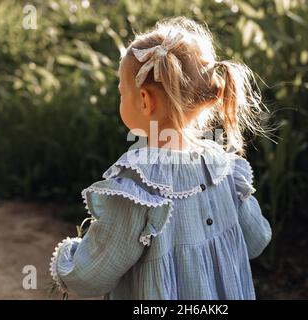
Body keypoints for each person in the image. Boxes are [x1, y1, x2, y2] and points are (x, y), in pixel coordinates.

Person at [49, 16, 272, 300]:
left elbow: (94, 273)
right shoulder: (224, 168)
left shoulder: (139, 184)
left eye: (121, 92)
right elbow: (257, 239)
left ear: (144, 100)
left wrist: (66, 259)